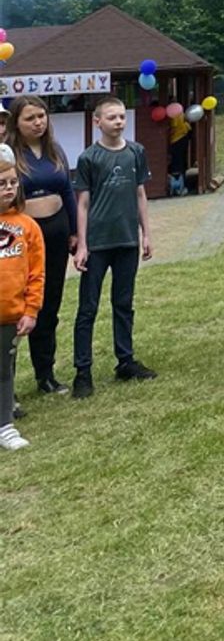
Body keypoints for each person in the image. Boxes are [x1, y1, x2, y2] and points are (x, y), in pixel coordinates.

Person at [71, 95, 158, 399]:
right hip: (97, 243)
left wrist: (146, 234)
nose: (118, 122)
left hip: (127, 241)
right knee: (88, 308)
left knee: (123, 303)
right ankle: (82, 371)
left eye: (122, 116)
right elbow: (82, 203)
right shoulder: (89, 158)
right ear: (98, 122)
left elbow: (140, 195)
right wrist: (82, 245)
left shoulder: (136, 152)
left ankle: (126, 361)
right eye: (111, 117)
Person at [5, 96, 76, 395]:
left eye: (42, 116)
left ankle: (44, 374)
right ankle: (6, 385)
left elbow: (68, 191)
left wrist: (75, 232)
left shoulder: (54, 150)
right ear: (16, 123)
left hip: (57, 232)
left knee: (49, 304)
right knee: (16, 306)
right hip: (22, 237)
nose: (38, 122)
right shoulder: (10, 155)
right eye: (30, 118)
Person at [0, 144, 44, 450]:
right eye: (1, 184)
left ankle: (5, 426)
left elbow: (36, 275)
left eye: (13, 183)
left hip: (11, 316)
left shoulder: (28, 227)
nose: (8, 189)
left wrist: (31, 310)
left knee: (4, 371)